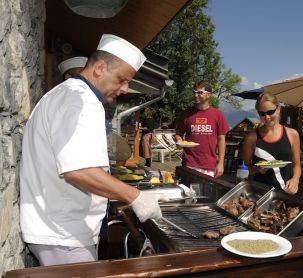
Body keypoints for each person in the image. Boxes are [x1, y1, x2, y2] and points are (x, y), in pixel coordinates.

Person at [19, 34, 162, 266]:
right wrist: (134, 196)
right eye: (122, 79)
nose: (125, 89)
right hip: (62, 233)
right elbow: (79, 170)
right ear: (100, 67)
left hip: (62, 229)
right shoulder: (79, 100)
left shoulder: (72, 95)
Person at [241, 93, 301, 194]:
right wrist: (256, 169)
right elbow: (243, 169)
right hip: (260, 194)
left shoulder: (292, 134)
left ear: (278, 109)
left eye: (270, 112)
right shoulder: (252, 137)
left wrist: (295, 180)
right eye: (262, 114)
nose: (267, 117)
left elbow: (296, 165)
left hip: (286, 193)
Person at [175, 79, 229, 178]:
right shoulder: (186, 114)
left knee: (206, 194)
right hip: (189, 163)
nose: (196, 95)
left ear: (209, 95)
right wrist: (179, 141)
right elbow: (178, 133)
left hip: (209, 165)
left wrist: (220, 163)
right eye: (194, 92)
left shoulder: (217, 114)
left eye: (200, 92)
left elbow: (221, 140)